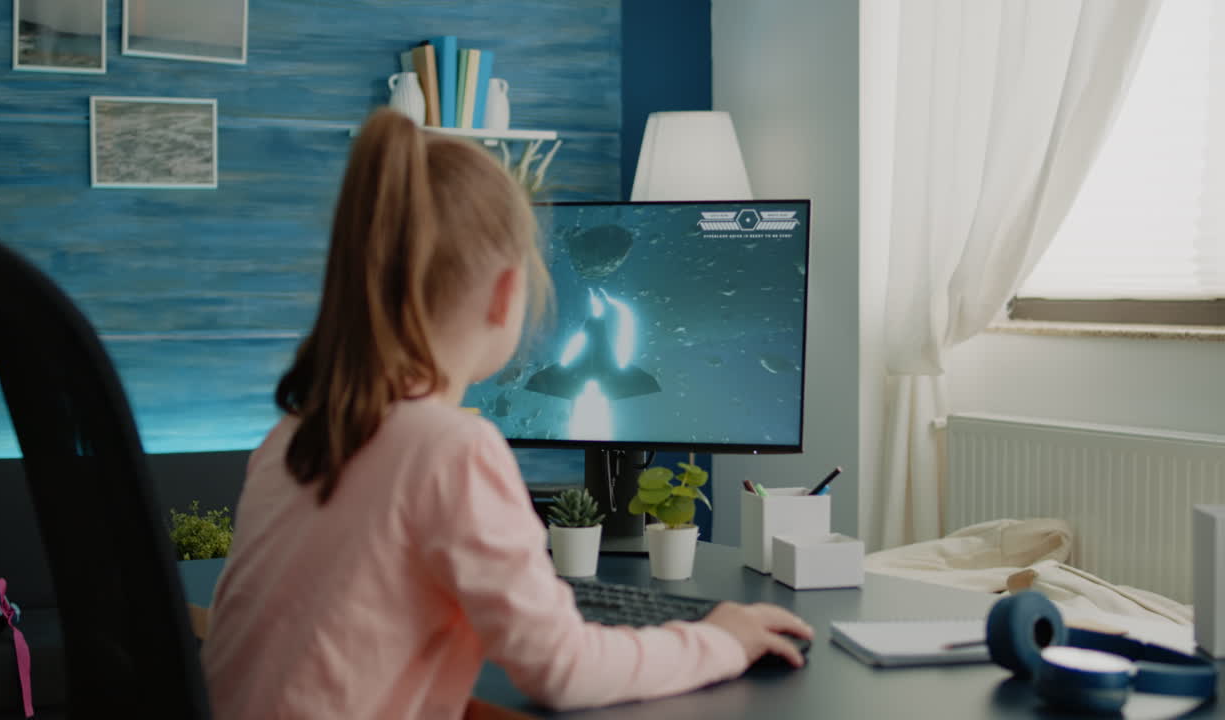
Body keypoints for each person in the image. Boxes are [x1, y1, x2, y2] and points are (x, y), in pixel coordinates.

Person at [201, 108, 814, 720]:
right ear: (504, 295)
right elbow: (563, 670)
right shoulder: (450, 449)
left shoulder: (290, 439)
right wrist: (722, 640)